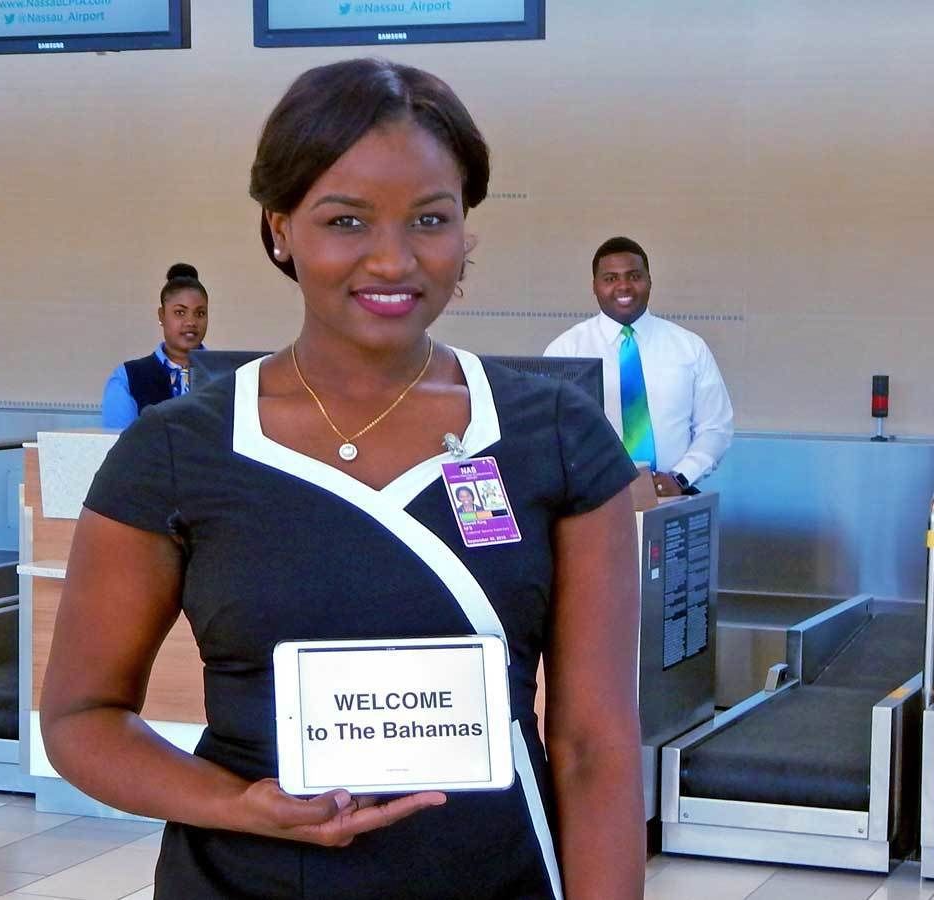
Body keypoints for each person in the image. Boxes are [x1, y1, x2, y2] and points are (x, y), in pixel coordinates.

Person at [41, 58, 644, 900]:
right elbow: (80, 719)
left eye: (430, 219)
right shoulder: (180, 450)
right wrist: (241, 804)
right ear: (281, 227)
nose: (393, 260)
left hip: (498, 875)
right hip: (245, 881)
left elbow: (595, 746)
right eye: (347, 221)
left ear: (465, 227)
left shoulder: (556, 436)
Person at [543, 237, 734, 497]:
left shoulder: (689, 347)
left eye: (634, 276)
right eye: (610, 278)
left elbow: (715, 428)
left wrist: (679, 478)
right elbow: (550, 435)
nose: (624, 286)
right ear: (595, 286)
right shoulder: (565, 350)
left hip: (673, 496)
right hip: (594, 503)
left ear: (649, 281)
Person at [100, 263, 210, 428]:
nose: (191, 322)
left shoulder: (226, 376)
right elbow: (118, 445)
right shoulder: (128, 377)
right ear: (162, 315)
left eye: (200, 313)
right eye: (180, 312)